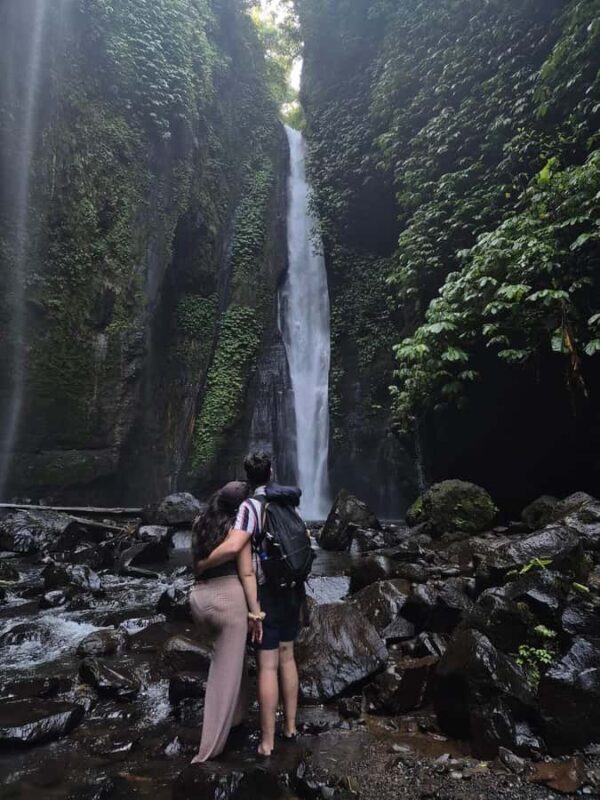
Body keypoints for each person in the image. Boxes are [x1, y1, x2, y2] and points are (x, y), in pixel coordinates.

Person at [196, 452, 305, 756]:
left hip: (268, 590)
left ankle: (268, 742)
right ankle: (291, 727)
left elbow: (235, 547)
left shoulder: (249, 507)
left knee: (268, 665)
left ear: (248, 476)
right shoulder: (287, 501)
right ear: (271, 472)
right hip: (292, 589)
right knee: (288, 657)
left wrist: (203, 562)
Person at [188, 481, 264, 763]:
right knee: (223, 671)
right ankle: (208, 750)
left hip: (199, 599)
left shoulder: (200, 522)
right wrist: (255, 613)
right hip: (227, 602)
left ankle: (236, 718)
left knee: (234, 660)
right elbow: (246, 573)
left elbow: (196, 561)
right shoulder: (238, 529)